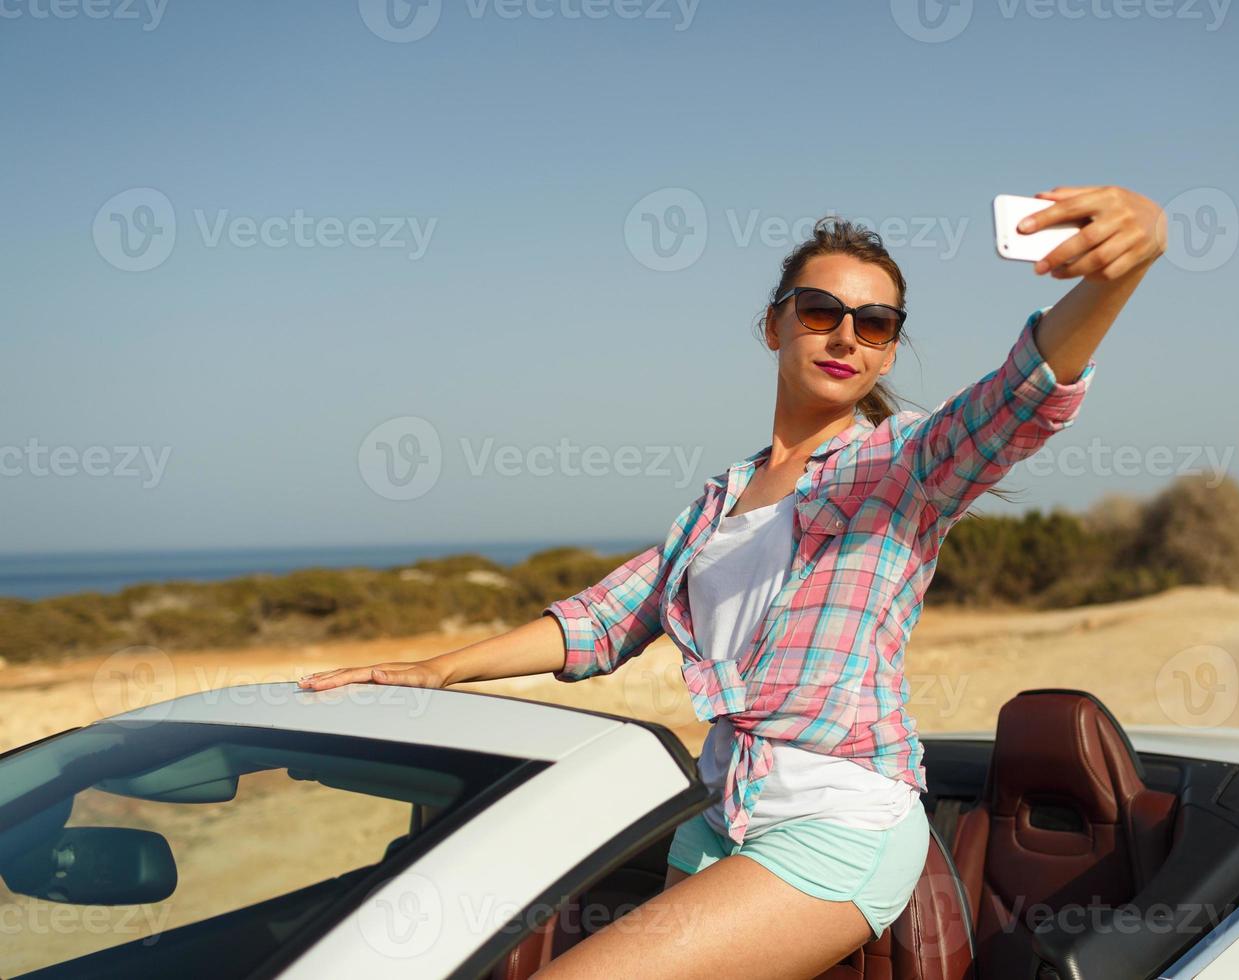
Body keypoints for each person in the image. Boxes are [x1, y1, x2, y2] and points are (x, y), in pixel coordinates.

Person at [298, 185, 1166, 979]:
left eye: (876, 323)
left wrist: (1122, 272)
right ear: (774, 324)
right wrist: (439, 669)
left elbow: (1016, 401)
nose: (846, 337)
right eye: (821, 310)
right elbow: (604, 619)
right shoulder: (717, 504)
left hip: (839, 828)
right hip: (724, 820)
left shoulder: (897, 467)